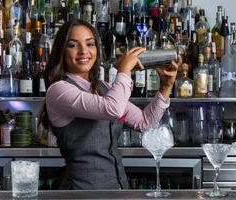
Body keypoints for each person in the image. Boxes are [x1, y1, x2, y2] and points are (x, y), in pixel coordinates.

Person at [40, 19, 182, 190]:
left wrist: (166, 86)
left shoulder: (104, 87)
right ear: (61, 51)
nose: (84, 51)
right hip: (82, 193)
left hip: (118, 189)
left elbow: (145, 123)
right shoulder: (59, 90)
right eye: (73, 45)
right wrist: (124, 70)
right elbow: (112, 109)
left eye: (90, 44)